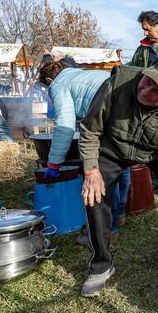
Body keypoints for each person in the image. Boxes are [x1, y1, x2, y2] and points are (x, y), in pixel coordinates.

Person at [78, 55, 158, 297]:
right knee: (94, 195)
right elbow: (89, 129)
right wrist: (91, 170)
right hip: (111, 149)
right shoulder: (118, 83)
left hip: (153, 153)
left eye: (156, 90)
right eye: (147, 80)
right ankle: (101, 264)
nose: (145, 88)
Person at [37, 60, 130, 244]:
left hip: (108, 115)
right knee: (122, 165)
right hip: (124, 111)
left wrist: (54, 162)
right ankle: (120, 213)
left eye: (45, 86)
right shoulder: (80, 74)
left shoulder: (58, 85)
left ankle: (107, 229)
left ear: (49, 79)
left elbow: (64, 125)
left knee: (103, 173)